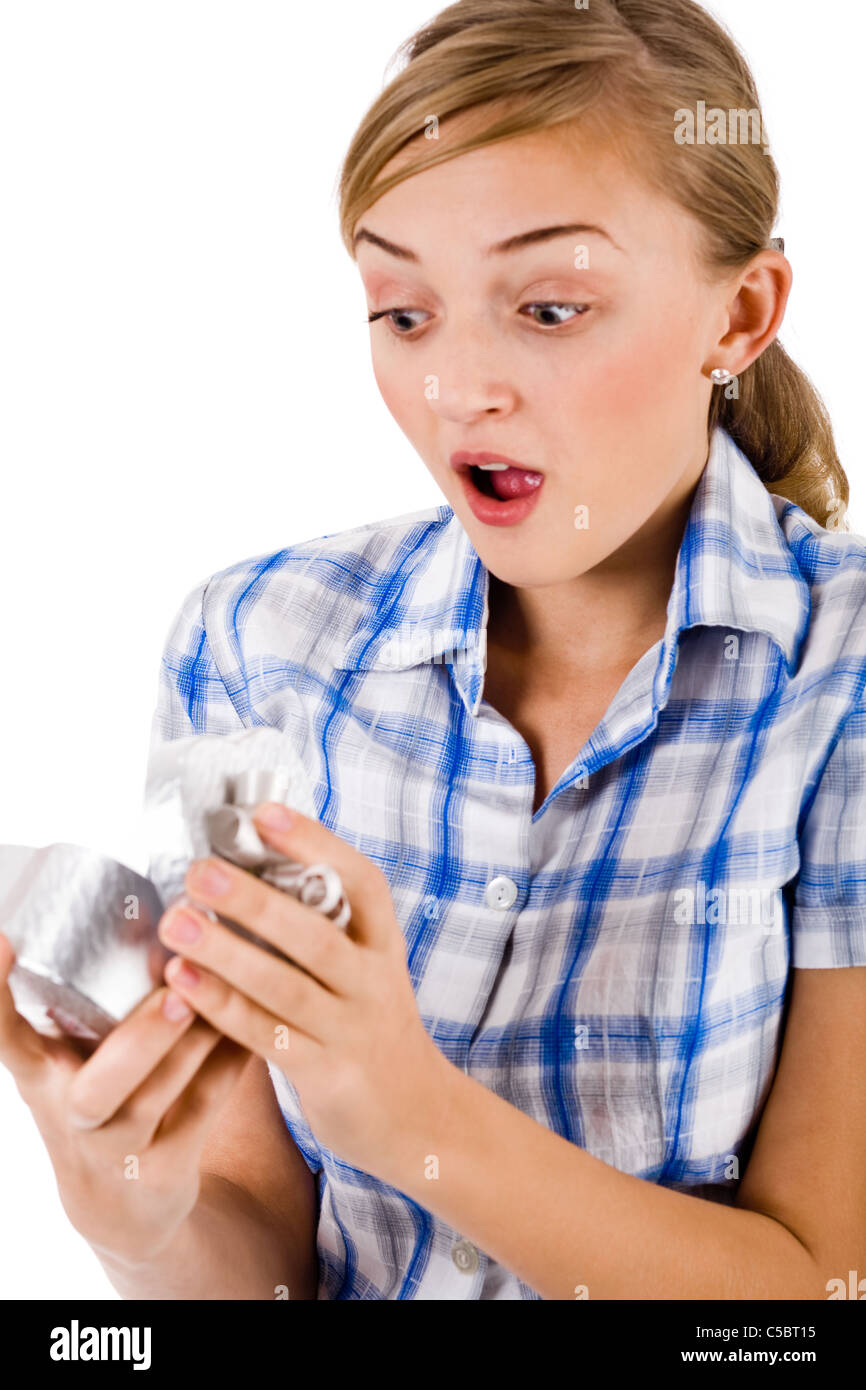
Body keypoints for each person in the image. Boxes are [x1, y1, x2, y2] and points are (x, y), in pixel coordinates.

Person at [1, 0, 864, 1301]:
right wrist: (138, 1211)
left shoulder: (836, 672)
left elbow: (814, 1301)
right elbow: (258, 1269)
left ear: (739, 316)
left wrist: (409, 1115)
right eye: (402, 311)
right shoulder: (254, 641)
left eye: (550, 306)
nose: (459, 386)